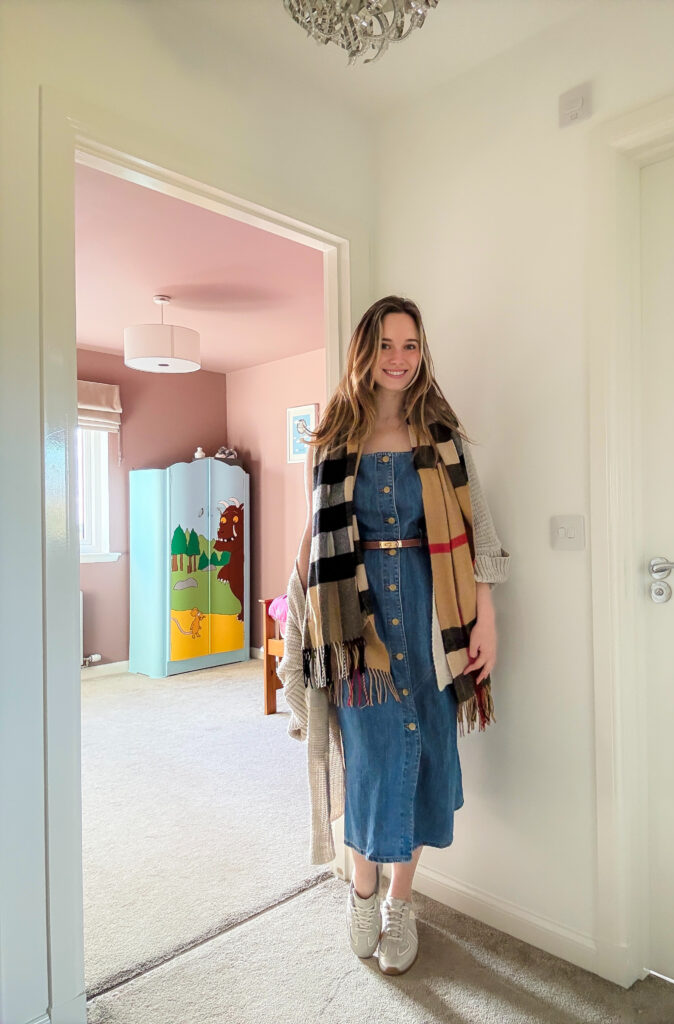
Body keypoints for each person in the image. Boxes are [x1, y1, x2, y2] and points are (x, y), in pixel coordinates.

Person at [277, 295, 510, 976]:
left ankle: (401, 905)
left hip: (436, 616)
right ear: (364, 352)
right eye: (385, 345)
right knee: (370, 763)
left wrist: (485, 621)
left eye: (410, 345)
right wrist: (301, 636)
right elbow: (313, 546)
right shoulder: (331, 439)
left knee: (426, 757)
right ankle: (361, 892)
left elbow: (478, 535)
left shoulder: (441, 435)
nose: (399, 359)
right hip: (358, 630)